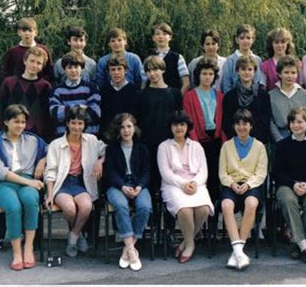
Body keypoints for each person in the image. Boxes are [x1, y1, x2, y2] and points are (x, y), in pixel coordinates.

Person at [0, 104, 47, 270]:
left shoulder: (33, 140)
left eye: (23, 122)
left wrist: (43, 160)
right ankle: (16, 253)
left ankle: (28, 248)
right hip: (3, 184)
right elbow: (0, 172)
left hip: (27, 180)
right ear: (6, 122)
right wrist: (29, 182)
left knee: (30, 200)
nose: (20, 125)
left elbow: (52, 150)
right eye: (16, 121)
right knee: (13, 207)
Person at [44, 106, 106, 258]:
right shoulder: (56, 144)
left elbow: (107, 150)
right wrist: (50, 195)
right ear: (67, 123)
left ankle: (72, 238)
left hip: (81, 183)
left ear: (84, 125)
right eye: (73, 123)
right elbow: (50, 172)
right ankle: (79, 236)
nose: (77, 127)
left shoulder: (91, 140)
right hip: (62, 184)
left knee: (86, 206)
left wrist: (100, 161)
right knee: (70, 209)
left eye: (80, 123)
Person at [157, 111, 214, 263]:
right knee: (184, 210)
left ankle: (185, 241)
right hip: (173, 184)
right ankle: (189, 245)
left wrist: (195, 183)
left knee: (203, 209)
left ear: (187, 126)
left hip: (196, 183)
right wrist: (183, 184)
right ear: (170, 127)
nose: (179, 128)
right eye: (175, 125)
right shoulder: (164, 147)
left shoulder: (196, 146)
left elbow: (203, 171)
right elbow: (165, 173)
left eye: (182, 124)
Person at [219, 109, 268, 270]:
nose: (241, 127)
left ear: (251, 126)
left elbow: (261, 173)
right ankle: (238, 251)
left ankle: (237, 251)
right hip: (231, 184)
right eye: (238, 124)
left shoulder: (259, 146)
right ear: (234, 126)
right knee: (226, 205)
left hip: (251, 184)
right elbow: (222, 172)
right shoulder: (226, 146)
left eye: (245, 124)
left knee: (251, 203)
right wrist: (232, 183)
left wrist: (248, 184)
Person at [274, 107, 306, 264]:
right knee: (288, 201)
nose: (296, 125)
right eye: (293, 122)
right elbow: (277, 172)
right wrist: (293, 184)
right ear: (289, 124)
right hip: (287, 184)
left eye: (300, 122)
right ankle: (305, 246)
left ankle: (300, 243)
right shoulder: (282, 145)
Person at [103, 113, 152, 271]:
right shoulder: (112, 149)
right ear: (118, 130)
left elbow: (146, 171)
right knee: (121, 206)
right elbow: (110, 173)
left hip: (138, 184)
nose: (126, 130)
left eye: (129, 126)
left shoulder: (142, 148)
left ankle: (127, 249)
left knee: (145, 207)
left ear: (134, 128)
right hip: (117, 185)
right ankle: (132, 250)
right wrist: (122, 186)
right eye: (122, 127)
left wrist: (140, 186)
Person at [133, 55, 183, 197]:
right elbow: (135, 121)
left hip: (169, 145)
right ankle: (151, 219)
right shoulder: (140, 95)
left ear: (163, 70)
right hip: (146, 146)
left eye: (155, 69)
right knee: (149, 185)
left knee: (169, 184)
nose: (152, 74)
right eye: (148, 71)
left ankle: (169, 219)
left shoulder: (175, 93)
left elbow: (179, 120)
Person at [183, 58, 225, 202]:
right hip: (198, 141)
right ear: (198, 75)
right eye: (204, 73)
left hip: (216, 140)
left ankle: (213, 216)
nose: (207, 77)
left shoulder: (220, 96)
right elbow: (189, 121)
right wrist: (196, 143)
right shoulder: (189, 96)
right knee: (200, 178)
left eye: (210, 74)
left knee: (214, 179)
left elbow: (222, 120)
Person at [0, 46, 53, 141]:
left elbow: (47, 117)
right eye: (32, 61)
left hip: (36, 138)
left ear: (42, 67)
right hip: (10, 136)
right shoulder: (9, 83)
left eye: (38, 63)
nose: (34, 65)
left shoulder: (45, 87)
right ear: (25, 61)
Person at [49, 52, 101, 136]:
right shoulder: (57, 90)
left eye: (76, 67)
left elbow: (94, 113)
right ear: (64, 69)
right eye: (69, 67)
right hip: (64, 136)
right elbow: (55, 113)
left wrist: (66, 110)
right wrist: (81, 107)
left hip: (88, 135)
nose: (73, 70)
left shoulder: (92, 88)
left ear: (82, 68)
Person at [222, 56, 271, 144]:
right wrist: (239, 138)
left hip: (257, 143)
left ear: (254, 71)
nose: (246, 72)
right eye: (243, 69)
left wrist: (251, 140)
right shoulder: (229, 96)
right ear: (237, 71)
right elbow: (226, 123)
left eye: (250, 69)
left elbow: (265, 122)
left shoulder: (263, 96)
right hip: (235, 142)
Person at [269, 56, 306, 143]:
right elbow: (271, 121)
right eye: (286, 72)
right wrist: (279, 140)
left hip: (301, 138)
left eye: (293, 72)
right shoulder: (271, 95)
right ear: (279, 74)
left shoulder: (305, 94)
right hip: (280, 139)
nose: (290, 76)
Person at [0, 17, 54, 83]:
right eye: (24, 30)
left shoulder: (44, 50)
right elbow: (6, 73)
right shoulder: (12, 52)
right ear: (19, 32)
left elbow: (49, 72)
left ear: (35, 33)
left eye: (30, 31)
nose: (27, 33)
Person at [100, 55, 137, 138]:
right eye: (113, 69)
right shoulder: (103, 91)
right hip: (108, 135)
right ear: (109, 72)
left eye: (119, 69)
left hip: (128, 134)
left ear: (126, 70)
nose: (116, 72)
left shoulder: (134, 91)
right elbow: (103, 116)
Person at [221, 24, 264, 93]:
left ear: (253, 39)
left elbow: (259, 81)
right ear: (237, 40)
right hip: (235, 99)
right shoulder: (230, 60)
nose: (245, 41)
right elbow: (227, 84)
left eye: (248, 38)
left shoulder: (257, 60)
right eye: (242, 38)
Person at [151, 22, 190, 94]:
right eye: (158, 34)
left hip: (172, 99)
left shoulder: (178, 58)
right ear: (153, 38)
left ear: (170, 37)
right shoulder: (149, 58)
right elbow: (144, 81)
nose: (161, 36)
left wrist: (177, 98)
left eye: (164, 34)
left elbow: (186, 83)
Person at [261, 27, 297, 91]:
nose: (280, 45)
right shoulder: (265, 66)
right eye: (276, 42)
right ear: (271, 44)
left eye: (283, 42)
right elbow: (263, 89)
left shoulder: (296, 63)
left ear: (287, 44)